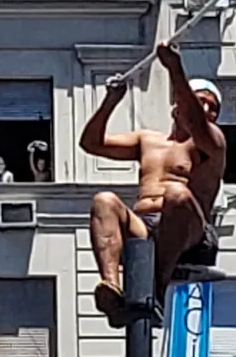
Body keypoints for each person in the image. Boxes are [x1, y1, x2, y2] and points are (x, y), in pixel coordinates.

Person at [79, 42, 225, 326]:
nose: (207, 108)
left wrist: (174, 68)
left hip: (190, 230)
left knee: (177, 194)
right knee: (104, 201)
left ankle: (157, 287)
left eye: (213, 106)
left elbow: (195, 122)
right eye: (201, 100)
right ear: (176, 107)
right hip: (144, 226)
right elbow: (91, 143)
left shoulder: (212, 143)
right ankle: (112, 289)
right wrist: (111, 101)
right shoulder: (149, 140)